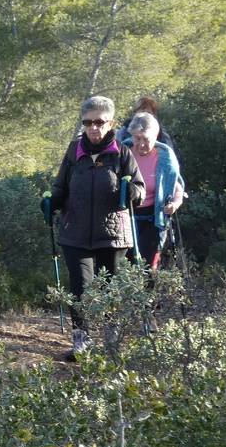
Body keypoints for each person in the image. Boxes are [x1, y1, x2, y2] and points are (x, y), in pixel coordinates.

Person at [47, 96, 145, 361]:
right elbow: (60, 187)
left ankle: (112, 342)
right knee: (81, 288)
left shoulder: (122, 153)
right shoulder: (73, 151)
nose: (93, 127)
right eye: (88, 122)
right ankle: (82, 344)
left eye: (99, 122)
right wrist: (50, 202)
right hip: (75, 233)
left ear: (110, 122)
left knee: (110, 288)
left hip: (112, 236)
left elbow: (140, 188)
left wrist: (130, 191)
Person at [126, 112, 185, 270]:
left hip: (154, 217)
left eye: (146, 139)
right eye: (137, 138)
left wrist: (175, 204)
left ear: (155, 136)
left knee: (148, 264)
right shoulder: (122, 153)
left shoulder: (165, 158)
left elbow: (176, 187)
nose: (141, 144)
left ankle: (147, 294)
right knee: (127, 263)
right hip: (126, 216)